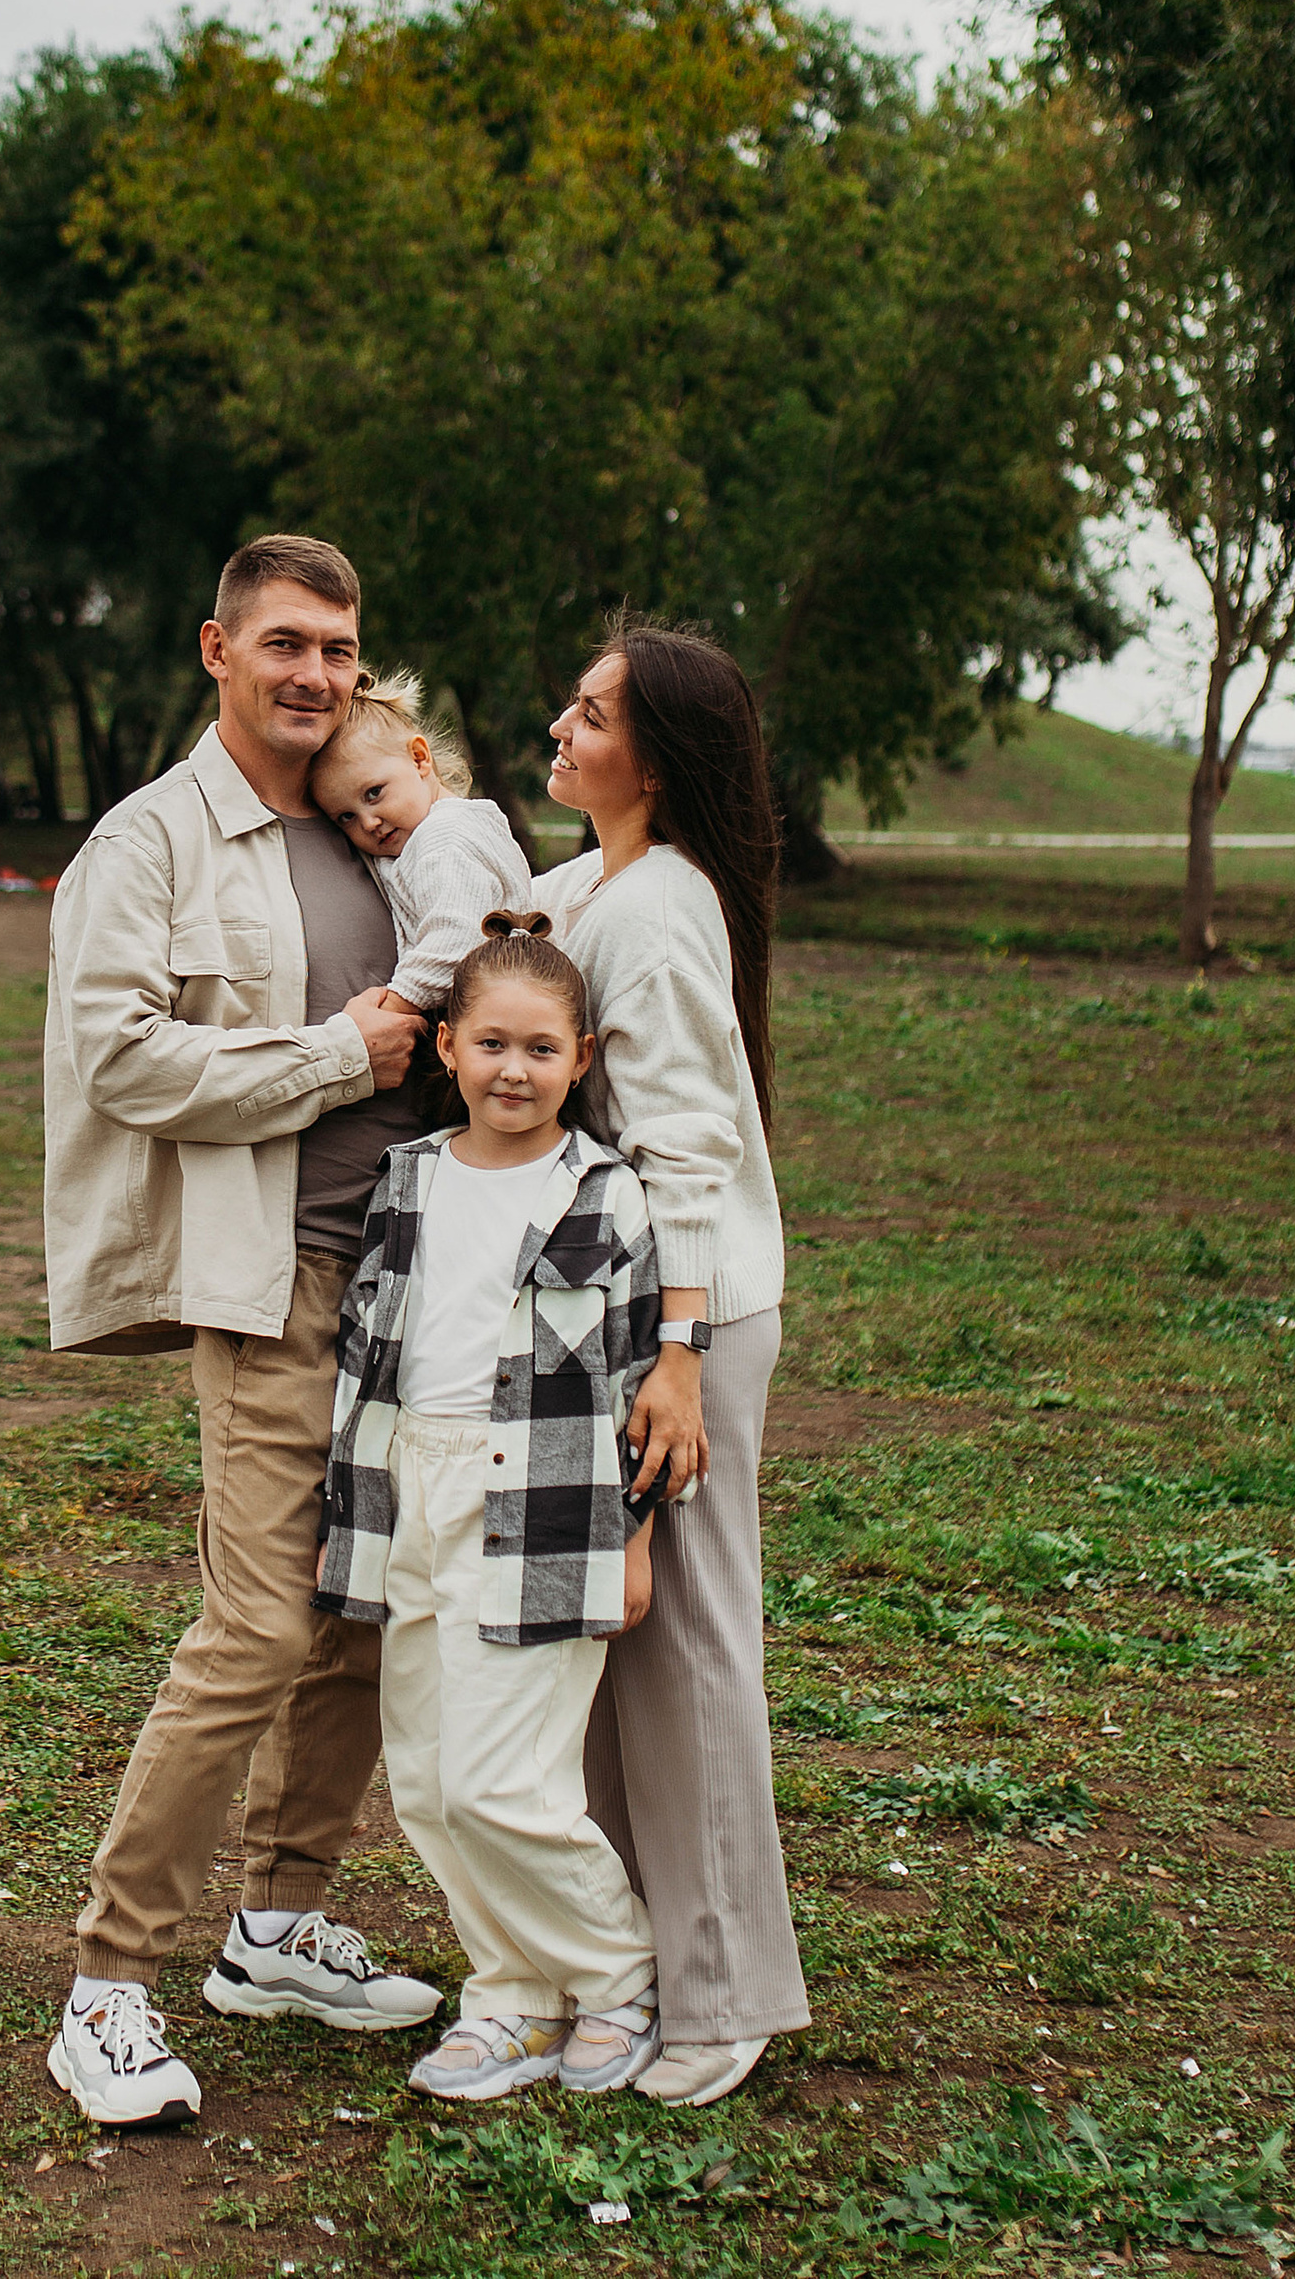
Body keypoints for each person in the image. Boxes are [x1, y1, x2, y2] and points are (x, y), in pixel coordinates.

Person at [42, 535, 437, 2131]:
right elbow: (123, 1061)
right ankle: (108, 1982)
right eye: (285, 641)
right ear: (216, 649)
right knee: (263, 1624)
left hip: (413, 1285)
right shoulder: (153, 841)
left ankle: (275, 1925)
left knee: (354, 1620)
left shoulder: (379, 826)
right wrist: (337, 1052)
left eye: (338, 647)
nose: (315, 673)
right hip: (269, 1278)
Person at [316, 915, 666, 2101]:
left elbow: (630, 1388)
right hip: (408, 1484)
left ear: (579, 1063)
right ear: (449, 1051)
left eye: (541, 1050)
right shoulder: (407, 1178)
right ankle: (511, 1998)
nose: (514, 1071)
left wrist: (635, 1538)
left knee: (500, 1781)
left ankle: (615, 1980)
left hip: (549, 1502)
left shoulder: (605, 1196)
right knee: (422, 1776)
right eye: (491, 1045)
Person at [534, 617, 807, 2108]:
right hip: (615, 1315)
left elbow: (691, 1143)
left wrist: (683, 1357)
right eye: (570, 706)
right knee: (607, 1646)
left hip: (684, 1322)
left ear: (660, 753)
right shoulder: (589, 883)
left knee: (688, 1647)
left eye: (593, 714)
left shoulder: (659, 908)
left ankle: (728, 1991)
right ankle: (625, 1962)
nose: (563, 728)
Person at [311, 670, 532, 1028]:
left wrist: (393, 1010)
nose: (368, 822)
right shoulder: (436, 832)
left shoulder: (443, 839)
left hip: (497, 1027)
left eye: (374, 793)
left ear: (419, 758)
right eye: (346, 817)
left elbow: (458, 941)